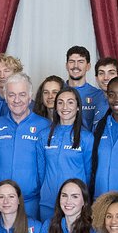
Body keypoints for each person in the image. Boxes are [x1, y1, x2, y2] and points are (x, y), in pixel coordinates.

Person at [0, 73, 48, 219]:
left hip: (30, 202)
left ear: (30, 97)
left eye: (22, 95)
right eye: (11, 95)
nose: (16, 100)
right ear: (5, 97)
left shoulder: (44, 126)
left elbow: (47, 167)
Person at [40, 88, 93, 221]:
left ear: (78, 107)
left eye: (70, 102)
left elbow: (88, 173)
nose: (65, 107)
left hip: (74, 205)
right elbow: (41, 171)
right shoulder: (44, 135)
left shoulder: (87, 138)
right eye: (60, 102)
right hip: (48, 202)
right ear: (56, 107)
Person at [64, 46, 105, 128]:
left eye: (80, 62)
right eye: (72, 61)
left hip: (89, 140)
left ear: (88, 66)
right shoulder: (58, 92)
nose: (76, 65)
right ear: (66, 66)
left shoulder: (99, 95)